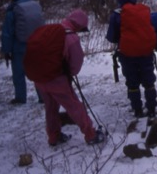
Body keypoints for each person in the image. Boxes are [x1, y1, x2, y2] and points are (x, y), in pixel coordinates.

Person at [34, 10, 105, 146]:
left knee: (51, 107)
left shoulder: (51, 30)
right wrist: (69, 73)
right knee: (74, 106)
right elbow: (76, 64)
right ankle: (91, 135)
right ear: (79, 25)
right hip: (57, 79)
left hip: (40, 77)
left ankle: (54, 137)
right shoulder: (71, 37)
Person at [106, 0, 157, 118]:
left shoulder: (117, 15)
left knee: (132, 83)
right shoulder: (144, 10)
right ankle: (151, 109)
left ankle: (138, 110)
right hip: (146, 52)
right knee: (149, 82)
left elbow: (112, 37)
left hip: (127, 55)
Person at [0, 0, 44, 104]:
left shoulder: (13, 11)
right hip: (36, 45)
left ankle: (20, 98)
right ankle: (43, 97)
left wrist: (6, 50)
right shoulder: (35, 6)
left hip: (19, 47)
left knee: (19, 74)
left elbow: (7, 33)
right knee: (38, 72)